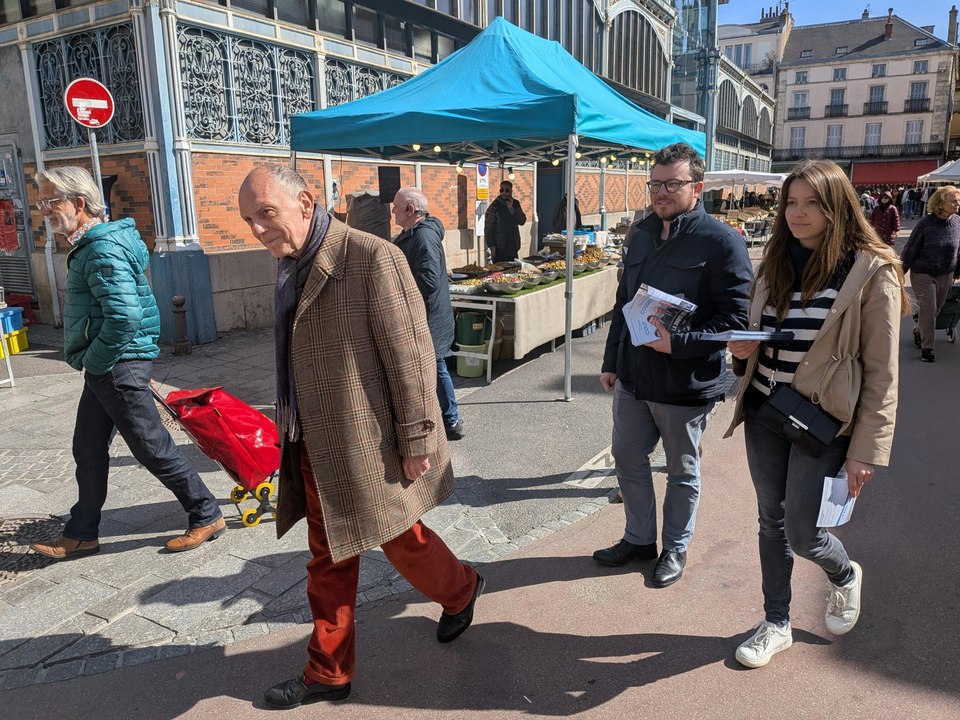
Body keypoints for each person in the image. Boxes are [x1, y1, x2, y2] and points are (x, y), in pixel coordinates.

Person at [238, 165, 483, 710]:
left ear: (305, 202)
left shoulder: (372, 257)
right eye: (249, 220)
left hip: (367, 440)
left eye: (266, 214)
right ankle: (328, 672)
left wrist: (419, 436)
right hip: (313, 440)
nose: (257, 230)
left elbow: (413, 355)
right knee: (327, 559)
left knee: (403, 542)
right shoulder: (289, 264)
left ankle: (462, 589)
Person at [724, 159, 909, 669]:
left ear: (837, 207)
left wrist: (866, 451)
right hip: (764, 409)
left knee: (804, 532)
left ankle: (844, 574)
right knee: (770, 521)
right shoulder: (776, 261)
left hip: (823, 421)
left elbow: (882, 372)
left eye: (812, 203)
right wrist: (741, 351)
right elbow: (765, 338)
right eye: (791, 202)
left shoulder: (873, 270)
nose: (797, 214)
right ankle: (776, 622)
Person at [29, 167, 225, 560]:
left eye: (52, 202)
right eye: (42, 202)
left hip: (118, 364)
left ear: (79, 204)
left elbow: (124, 317)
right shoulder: (91, 244)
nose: (44, 211)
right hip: (111, 364)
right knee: (87, 447)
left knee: (151, 446)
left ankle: (206, 512)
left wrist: (95, 360)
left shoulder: (101, 248)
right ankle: (82, 532)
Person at [595, 142, 753, 588]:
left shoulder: (722, 242)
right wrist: (611, 359)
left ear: (697, 187)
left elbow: (736, 322)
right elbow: (623, 303)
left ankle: (675, 548)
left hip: (685, 382)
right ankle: (639, 539)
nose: (661, 192)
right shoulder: (641, 233)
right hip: (632, 375)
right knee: (627, 457)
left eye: (673, 184)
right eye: (656, 183)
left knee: (682, 470)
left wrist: (678, 343)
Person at [392, 186, 464, 440]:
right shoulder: (417, 234)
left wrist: (399, 288)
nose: (393, 212)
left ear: (410, 210)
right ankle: (442, 416)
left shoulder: (422, 237)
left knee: (437, 365)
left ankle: (452, 420)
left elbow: (429, 279)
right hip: (430, 314)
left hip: (430, 317)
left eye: (396, 208)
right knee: (434, 365)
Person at [900, 185, 960, 362]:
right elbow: (910, 249)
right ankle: (928, 349)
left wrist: (957, 270)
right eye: (954, 201)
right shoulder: (925, 225)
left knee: (937, 308)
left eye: (958, 200)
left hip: (946, 273)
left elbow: (958, 250)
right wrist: (900, 272)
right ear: (941, 204)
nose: (958, 203)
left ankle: (919, 331)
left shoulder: (957, 222)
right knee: (929, 309)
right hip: (923, 273)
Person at [484, 180, 527, 261]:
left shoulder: (515, 204)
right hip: (499, 246)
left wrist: (512, 210)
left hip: (513, 245)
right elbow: (488, 228)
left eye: (507, 190)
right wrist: (491, 246)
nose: (504, 192)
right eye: (501, 190)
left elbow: (522, 221)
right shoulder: (494, 206)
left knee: (514, 269)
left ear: (511, 191)